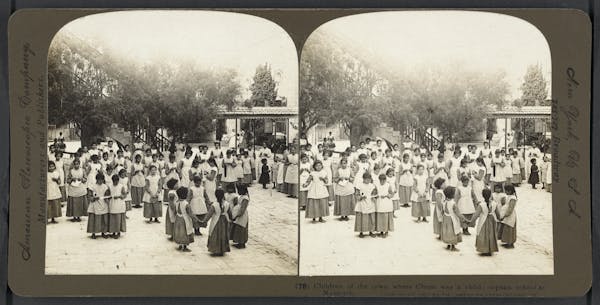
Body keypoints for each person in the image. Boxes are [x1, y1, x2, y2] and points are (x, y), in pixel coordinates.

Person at [470, 188, 499, 256]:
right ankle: (490, 249)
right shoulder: (494, 204)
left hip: (483, 220)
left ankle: (484, 249)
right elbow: (498, 214)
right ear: (491, 195)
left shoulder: (481, 205)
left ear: (483, 196)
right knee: (491, 234)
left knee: (483, 234)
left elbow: (476, 215)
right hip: (492, 220)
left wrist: (470, 221)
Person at [203, 189, 231, 256]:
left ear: (216, 196)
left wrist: (204, 221)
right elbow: (230, 213)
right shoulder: (227, 204)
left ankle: (215, 249)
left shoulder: (214, 205)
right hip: (224, 221)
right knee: (223, 234)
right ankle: (222, 249)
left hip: (216, 220)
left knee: (215, 234)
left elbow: (209, 215)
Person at [441, 186, 467, 251]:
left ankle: (448, 244)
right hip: (452, 219)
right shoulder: (453, 203)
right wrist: (463, 219)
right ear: (452, 195)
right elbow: (458, 213)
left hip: (446, 218)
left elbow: (442, 211)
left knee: (447, 231)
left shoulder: (444, 202)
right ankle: (453, 247)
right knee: (453, 231)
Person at [172, 186, 197, 252]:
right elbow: (190, 214)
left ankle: (180, 245)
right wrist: (195, 219)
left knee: (179, 232)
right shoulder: (186, 204)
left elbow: (175, 212)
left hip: (178, 219)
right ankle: (185, 247)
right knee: (185, 232)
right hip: (185, 219)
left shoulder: (177, 202)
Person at [87, 173, 110, 239]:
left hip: (103, 204)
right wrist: (93, 198)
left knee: (103, 219)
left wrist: (106, 199)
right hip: (95, 204)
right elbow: (90, 196)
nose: (100, 181)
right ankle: (93, 233)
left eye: (102, 180)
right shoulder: (92, 186)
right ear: (96, 179)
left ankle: (103, 232)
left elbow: (107, 195)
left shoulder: (105, 186)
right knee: (94, 218)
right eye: (99, 180)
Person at [354, 173, 377, 238]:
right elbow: (357, 194)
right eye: (366, 179)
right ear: (363, 179)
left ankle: (371, 231)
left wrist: (374, 197)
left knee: (371, 218)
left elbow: (374, 193)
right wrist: (360, 197)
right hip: (362, 203)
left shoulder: (372, 186)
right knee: (361, 218)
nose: (367, 181)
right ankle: (361, 231)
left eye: (369, 179)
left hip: (370, 203)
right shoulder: (359, 185)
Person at [498, 184, 518, 248]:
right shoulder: (508, 196)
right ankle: (507, 242)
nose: (505, 192)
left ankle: (510, 243)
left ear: (510, 191)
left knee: (509, 229)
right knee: (506, 229)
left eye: (506, 191)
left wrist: (505, 215)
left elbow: (510, 208)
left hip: (510, 216)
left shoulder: (513, 198)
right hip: (505, 215)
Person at [231, 184, 250, 249]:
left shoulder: (245, 198)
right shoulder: (242, 196)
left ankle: (242, 243)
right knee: (238, 228)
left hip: (242, 215)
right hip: (239, 214)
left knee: (241, 228)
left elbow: (243, 209)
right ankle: (239, 242)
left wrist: (237, 215)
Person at [108, 174, 127, 239]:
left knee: (118, 218)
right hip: (112, 204)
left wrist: (119, 196)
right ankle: (113, 232)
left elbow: (124, 195)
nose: (115, 182)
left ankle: (118, 232)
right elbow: (108, 195)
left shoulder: (121, 186)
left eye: (116, 181)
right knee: (113, 218)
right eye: (114, 181)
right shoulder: (110, 186)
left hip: (119, 204)